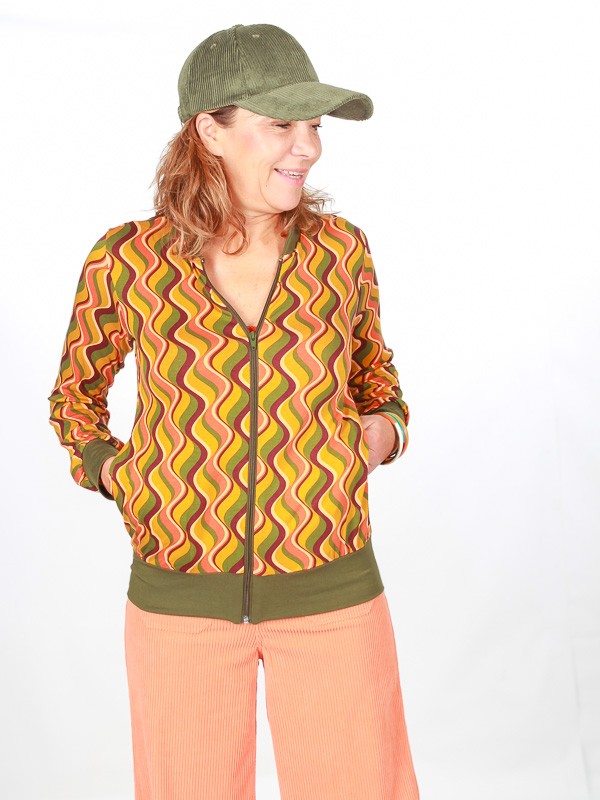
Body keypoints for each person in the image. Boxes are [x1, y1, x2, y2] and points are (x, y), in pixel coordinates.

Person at [48, 22, 420, 800]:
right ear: (209, 131)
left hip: (331, 592)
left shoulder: (340, 253)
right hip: (179, 600)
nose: (307, 147)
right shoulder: (128, 261)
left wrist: (381, 434)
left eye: (314, 126)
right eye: (281, 124)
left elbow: (375, 377)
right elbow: (75, 396)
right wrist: (119, 474)